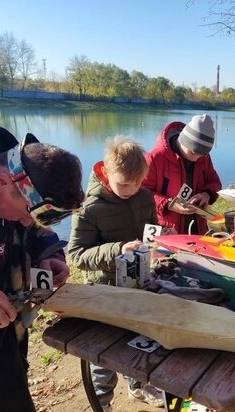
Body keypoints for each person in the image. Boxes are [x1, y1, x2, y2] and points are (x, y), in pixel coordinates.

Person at [0, 119, 84, 411]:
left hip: (2, 346)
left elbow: (33, 227)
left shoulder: (17, 181)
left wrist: (49, 253)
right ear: (2, 182)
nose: (26, 223)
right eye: (26, 213)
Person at [67, 138, 164, 410]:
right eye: (123, 183)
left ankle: (137, 386)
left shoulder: (144, 197)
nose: (131, 190)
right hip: (104, 291)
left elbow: (152, 231)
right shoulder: (88, 207)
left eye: (137, 183)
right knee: (103, 353)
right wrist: (117, 249)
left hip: (138, 283)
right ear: (106, 173)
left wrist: (157, 244)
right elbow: (76, 256)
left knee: (136, 342)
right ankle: (102, 401)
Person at [142, 114, 222, 235]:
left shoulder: (203, 157)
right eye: (193, 153)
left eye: (201, 155)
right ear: (183, 140)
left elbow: (214, 181)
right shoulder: (155, 157)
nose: (196, 158)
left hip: (197, 229)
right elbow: (141, 192)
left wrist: (206, 195)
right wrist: (168, 204)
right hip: (167, 229)